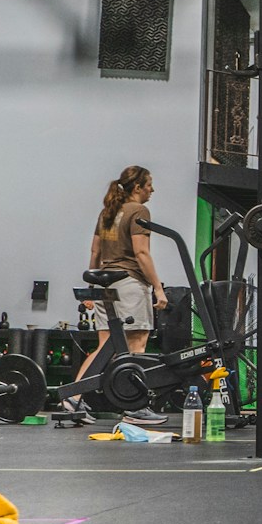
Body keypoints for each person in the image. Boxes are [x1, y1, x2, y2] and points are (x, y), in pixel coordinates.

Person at [71, 165, 168, 427]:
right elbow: (142, 254)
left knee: (106, 348)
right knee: (136, 347)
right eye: (149, 185)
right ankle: (135, 407)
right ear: (137, 187)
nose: (152, 190)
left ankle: (73, 398)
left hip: (106, 284)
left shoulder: (107, 212)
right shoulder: (139, 210)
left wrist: (93, 285)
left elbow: (95, 251)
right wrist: (158, 288)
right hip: (128, 283)